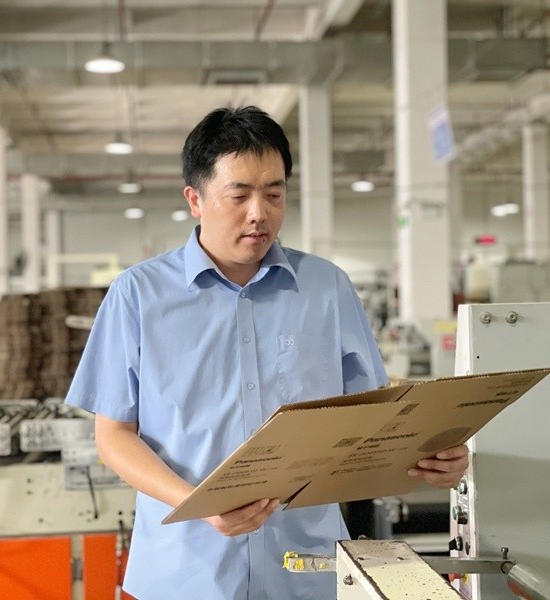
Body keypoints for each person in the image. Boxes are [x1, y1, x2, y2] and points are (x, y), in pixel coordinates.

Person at [65, 106, 469, 599]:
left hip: (310, 570)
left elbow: (374, 419)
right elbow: (113, 437)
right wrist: (198, 504)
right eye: (239, 195)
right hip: (187, 575)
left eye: (274, 194)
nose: (259, 213)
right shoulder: (137, 295)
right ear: (195, 199)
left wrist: (432, 455)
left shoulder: (327, 289)